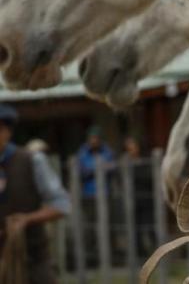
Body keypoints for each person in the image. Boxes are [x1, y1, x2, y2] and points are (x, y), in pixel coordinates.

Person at [0, 105, 70, 284]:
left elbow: (61, 206)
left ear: (7, 131)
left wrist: (27, 219)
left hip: (32, 260)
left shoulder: (32, 161)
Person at [76, 126, 113, 199]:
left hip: (105, 192)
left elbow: (112, 167)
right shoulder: (83, 152)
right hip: (89, 193)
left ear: (100, 139)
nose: (94, 141)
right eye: (91, 138)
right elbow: (82, 171)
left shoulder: (107, 151)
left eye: (96, 138)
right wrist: (99, 168)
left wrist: (93, 169)